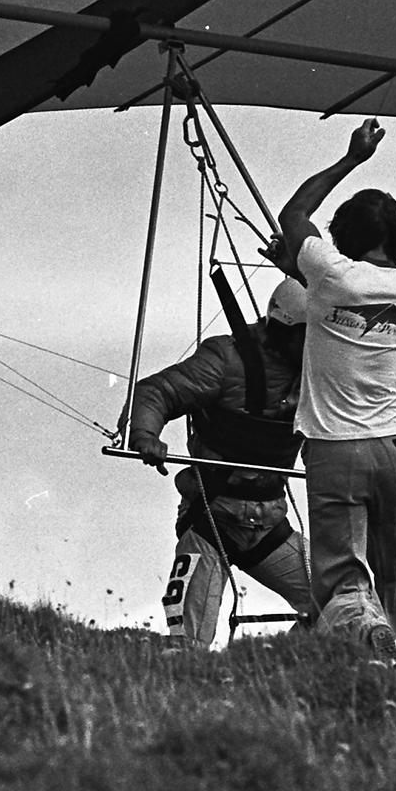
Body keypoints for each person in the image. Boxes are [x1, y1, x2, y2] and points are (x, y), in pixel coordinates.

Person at [274, 117, 396, 694]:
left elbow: (294, 215)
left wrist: (351, 159)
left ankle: (368, 634)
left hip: (336, 449)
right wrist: (299, 266)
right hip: (395, 450)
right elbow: (346, 294)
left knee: (344, 577)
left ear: (341, 238)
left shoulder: (330, 274)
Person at [122, 277, 317, 647]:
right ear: (283, 329)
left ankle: (275, 662)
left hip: (268, 523)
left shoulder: (317, 374)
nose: (313, 347)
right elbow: (157, 391)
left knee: (341, 599)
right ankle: (187, 670)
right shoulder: (227, 359)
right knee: (188, 643)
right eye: (305, 337)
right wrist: (146, 434)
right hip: (212, 518)